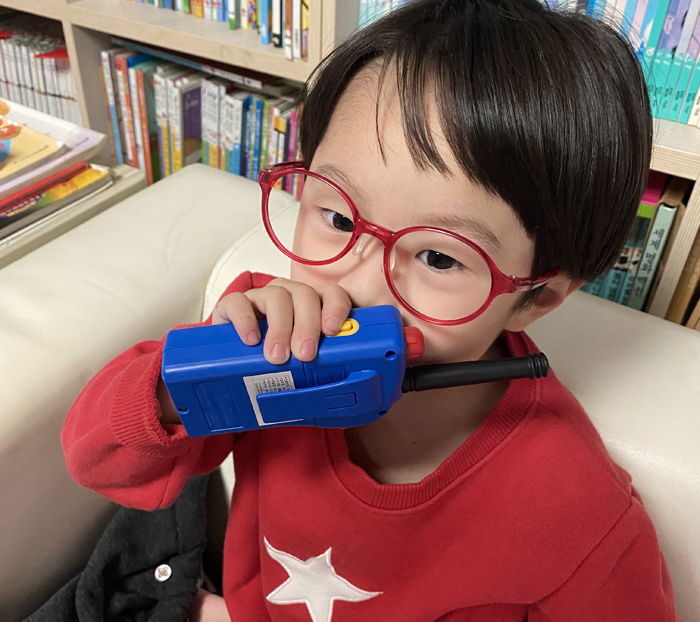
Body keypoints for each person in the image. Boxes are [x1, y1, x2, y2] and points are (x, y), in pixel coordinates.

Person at [61, 0, 679, 620]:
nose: (358, 284)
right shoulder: (266, 334)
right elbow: (96, 461)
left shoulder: (579, 513)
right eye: (336, 217)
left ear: (536, 296)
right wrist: (190, 381)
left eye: (438, 257)